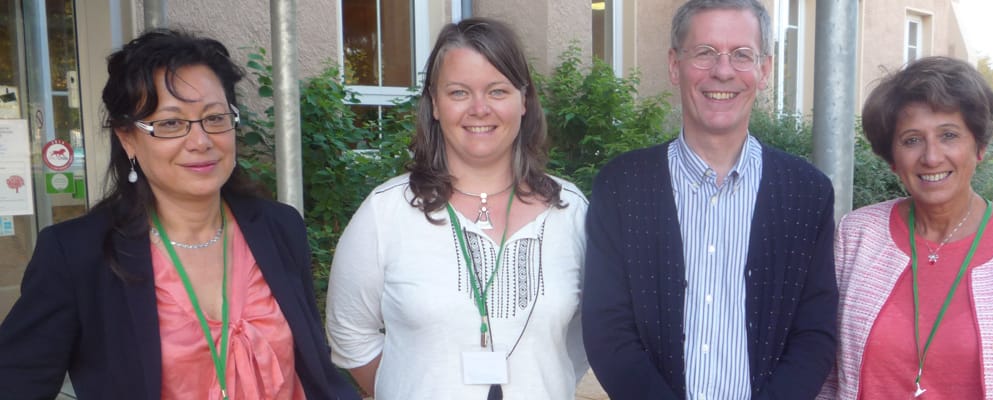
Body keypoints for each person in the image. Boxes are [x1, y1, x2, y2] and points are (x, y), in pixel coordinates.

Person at [0, 29, 359, 399]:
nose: (201, 141)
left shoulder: (279, 227)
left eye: (215, 118)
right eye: (170, 123)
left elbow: (315, 368)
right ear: (127, 139)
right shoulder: (78, 253)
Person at [581, 0, 838, 398]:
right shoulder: (621, 187)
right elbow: (607, 330)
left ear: (764, 70)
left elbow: (815, 334)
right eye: (704, 53)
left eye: (741, 55)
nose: (723, 71)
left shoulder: (807, 195)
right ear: (673, 65)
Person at [325, 18, 588, 400]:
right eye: (459, 92)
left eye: (497, 91)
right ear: (434, 104)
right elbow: (349, 333)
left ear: (524, 101)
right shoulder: (386, 213)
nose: (479, 109)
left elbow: (587, 334)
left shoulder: (572, 212)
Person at [819, 56, 993, 399]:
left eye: (948, 135)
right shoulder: (856, 235)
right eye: (912, 140)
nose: (932, 157)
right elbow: (827, 374)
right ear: (892, 159)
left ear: (979, 147)